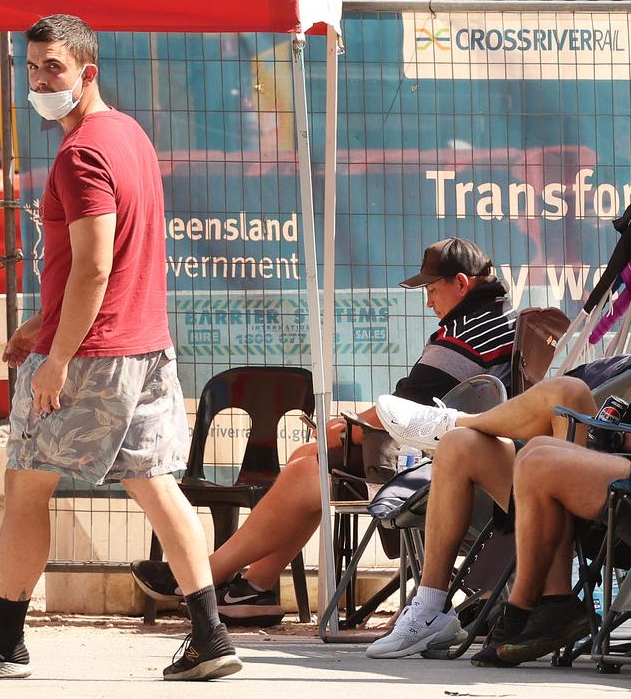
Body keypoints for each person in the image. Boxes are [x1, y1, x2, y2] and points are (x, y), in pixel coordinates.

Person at [0, 15, 239, 682]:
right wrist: (41, 324)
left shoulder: (82, 152)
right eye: (33, 69)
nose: (40, 81)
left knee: (27, 485)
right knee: (158, 488)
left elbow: (96, 265)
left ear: (87, 71)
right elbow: (101, 261)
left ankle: (4, 639)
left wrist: (58, 357)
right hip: (144, 345)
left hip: (94, 353)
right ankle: (211, 635)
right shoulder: (128, 133)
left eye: (53, 69)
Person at [366, 286, 631, 663]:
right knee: (461, 448)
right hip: (603, 477)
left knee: (568, 395)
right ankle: (430, 606)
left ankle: (452, 420)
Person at [132, 237, 517, 626]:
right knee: (307, 461)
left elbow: (406, 410)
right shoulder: (498, 318)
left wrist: (346, 428)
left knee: (307, 468)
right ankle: (255, 587)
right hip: (459, 454)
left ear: (463, 284)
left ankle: (203, 576)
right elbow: (419, 403)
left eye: (433, 290)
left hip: (447, 466)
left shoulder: (467, 332)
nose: (429, 301)